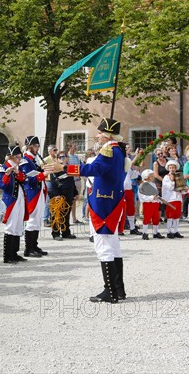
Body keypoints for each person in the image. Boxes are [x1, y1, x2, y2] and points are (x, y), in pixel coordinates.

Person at [45, 118, 126, 304]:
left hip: (104, 203)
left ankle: (110, 292)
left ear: (107, 135)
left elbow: (93, 169)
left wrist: (64, 167)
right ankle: (118, 289)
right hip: (112, 201)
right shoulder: (118, 150)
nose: (96, 136)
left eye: (99, 133)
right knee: (113, 245)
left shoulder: (108, 150)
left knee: (103, 245)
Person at [0, 145, 28, 262]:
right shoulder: (4, 167)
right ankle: (8, 256)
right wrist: (7, 174)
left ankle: (14, 253)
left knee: (18, 226)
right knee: (11, 226)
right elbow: (2, 185)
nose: (19, 160)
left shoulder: (17, 167)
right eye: (18, 158)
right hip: (10, 200)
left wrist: (17, 172)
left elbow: (23, 180)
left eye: (20, 157)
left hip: (19, 198)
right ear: (11, 157)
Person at [19, 136, 48, 257]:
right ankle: (29, 248)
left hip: (38, 191)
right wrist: (43, 175)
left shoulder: (33, 159)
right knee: (32, 220)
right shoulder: (25, 160)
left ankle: (34, 245)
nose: (37, 149)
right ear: (30, 147)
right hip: (31, 192)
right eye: (36, 146)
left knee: (37, 220)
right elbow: (28, 179)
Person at [48, 152, 78, 240]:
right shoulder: (55, 168)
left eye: (64, 156)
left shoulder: (69, 168)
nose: (62, 158)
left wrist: (75, 193)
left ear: (67, 158)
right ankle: (56, 233)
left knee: (66, 213)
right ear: (57, 159)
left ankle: (66, 232)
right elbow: (53, 183)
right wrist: (56, 194)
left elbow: (72, 182)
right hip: (58, 194)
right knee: (56, 214)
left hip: (68, 193)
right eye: (60, 157)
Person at [161, 160, 188, 238]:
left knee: (177, 215)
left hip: (178, 198)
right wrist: (172, 180)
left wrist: (184, 190)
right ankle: (169, 231)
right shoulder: (166, 178)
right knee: (170, 216)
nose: (172, 169)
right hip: (170, 199)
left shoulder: (179, 176)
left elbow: (181, 188)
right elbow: (169, 187)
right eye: (170, 168)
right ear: (168, 168)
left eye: (173, 168)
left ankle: (176, 230)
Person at [138, 170, 164, 240]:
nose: (153, 177)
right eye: (151, 176)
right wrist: (152, 197)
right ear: (146, 177)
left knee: (156, 218)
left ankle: (155, 233)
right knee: (147, 218)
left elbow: (156, 193)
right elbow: (142, 196)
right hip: (148, 204)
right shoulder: (142, 185)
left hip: (155, 204)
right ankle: (145, 233)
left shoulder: (153, 184)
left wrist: (159, 199)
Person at [67, 142, 82, 223]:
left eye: (76, 146)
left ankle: (74, 218)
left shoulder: (76, 157)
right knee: (69, 200)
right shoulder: (67, 157)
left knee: (75, 200)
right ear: (70, 147)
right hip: (70, 181)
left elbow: (79, 168)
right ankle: (67, 219)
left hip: (77, 180)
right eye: (74, 146)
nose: (76, 147)